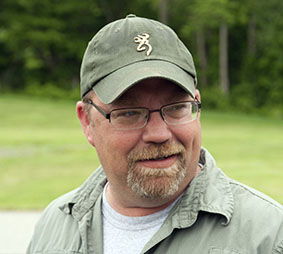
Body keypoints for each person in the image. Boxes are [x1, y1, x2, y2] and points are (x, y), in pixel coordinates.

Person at [27, 14, 283, 254]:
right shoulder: (56, 225)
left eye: (177, 108)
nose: (159, 133)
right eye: (129, 113)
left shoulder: (268, 237)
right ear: (87, 122)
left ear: (196, 104)